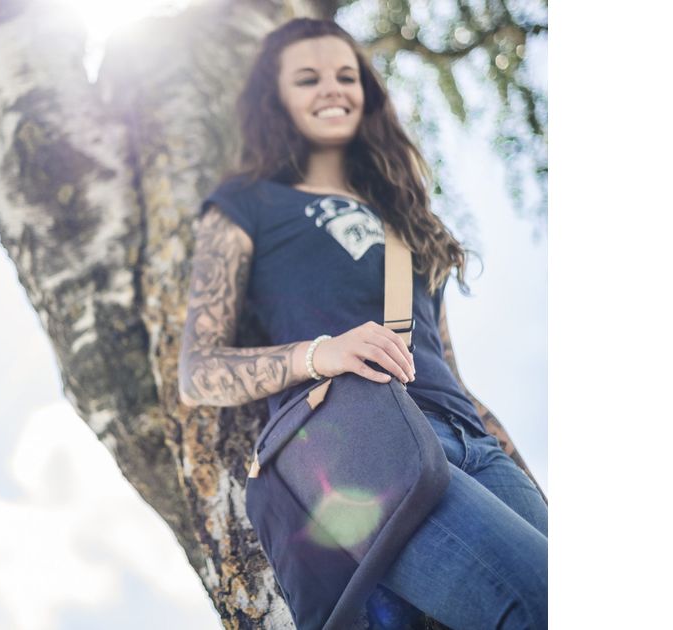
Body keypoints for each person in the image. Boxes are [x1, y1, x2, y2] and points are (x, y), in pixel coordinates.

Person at [177, 17, 547, 630]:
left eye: (346, 76)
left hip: (475, 448)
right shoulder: (248, 204)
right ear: (276, 100)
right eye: (308, 79)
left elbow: (451, 372)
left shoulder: (413, 225)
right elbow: (198, 372)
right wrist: (319, 354)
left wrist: (528, 482)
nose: (332, 89)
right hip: (364, 451)